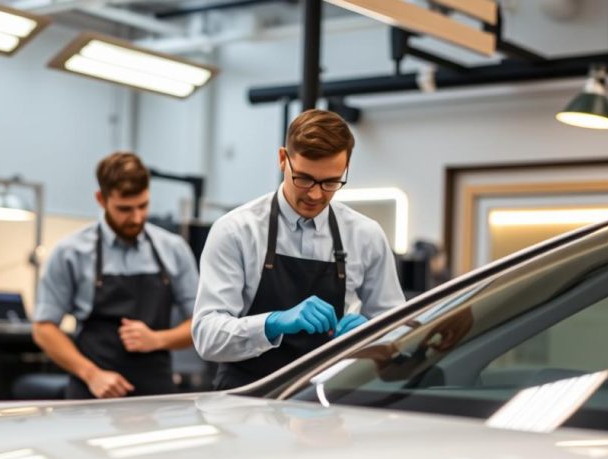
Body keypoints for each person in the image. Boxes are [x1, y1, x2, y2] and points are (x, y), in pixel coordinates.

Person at [192, 109, 405, 390]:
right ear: (283, 159)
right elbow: (207, 336)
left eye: (331, 182)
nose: (316, 194)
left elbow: (399, 332)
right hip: (246, 399)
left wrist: (373, 335)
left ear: (346, 168)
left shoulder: (366, 235)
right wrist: (272, 323)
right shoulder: (236, 231)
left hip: (329, 398)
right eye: (303, 179)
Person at [33, 152, 200, 399]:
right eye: (124, 209)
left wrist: (157, 339)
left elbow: (202, 323)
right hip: (92, 396)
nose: (136, 217)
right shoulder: (71, 253)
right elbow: (44, 329)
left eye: (143, 206)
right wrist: (91, 374)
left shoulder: (173, 250)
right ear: (101, 199)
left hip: (156, 397)